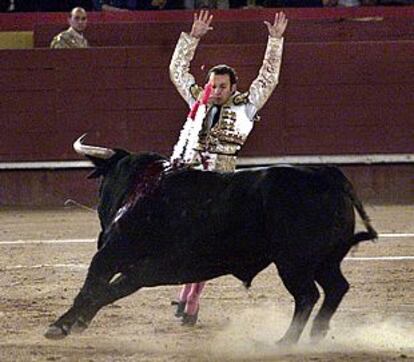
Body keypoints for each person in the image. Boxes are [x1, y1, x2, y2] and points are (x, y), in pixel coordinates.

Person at [169, 9, 288, 325]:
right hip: (190, 180)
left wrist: (275, 41)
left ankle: (191, 297)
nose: (217, 91)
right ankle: (187, 295)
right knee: (188, 241)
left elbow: (268, 78)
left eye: (222, 86)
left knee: (206, 244)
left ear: (233, 87)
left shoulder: (246, 106)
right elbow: (178, 71)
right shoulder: (199, 100)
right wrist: (192, 38)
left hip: (223, 185)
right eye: (214, 86)